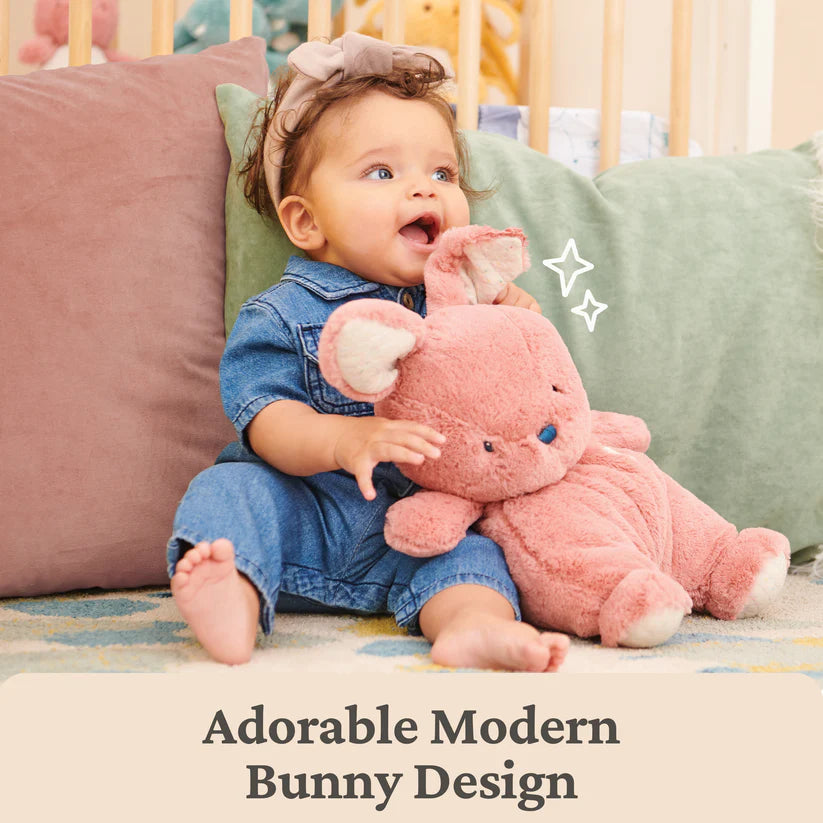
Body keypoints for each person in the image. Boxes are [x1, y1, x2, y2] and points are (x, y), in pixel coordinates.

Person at [167, 32, 570, 672]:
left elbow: (519, 395)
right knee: (228, 490)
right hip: (304, 515)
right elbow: (265, 419)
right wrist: (341, 441)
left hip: (418, 524)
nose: (424, 190)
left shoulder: (467, 304)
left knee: (478, 555)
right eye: (383, 172)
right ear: (306, 221)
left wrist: (516, 328)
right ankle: (234, 592)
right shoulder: (284, 311)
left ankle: (471, 625)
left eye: (442, 173)